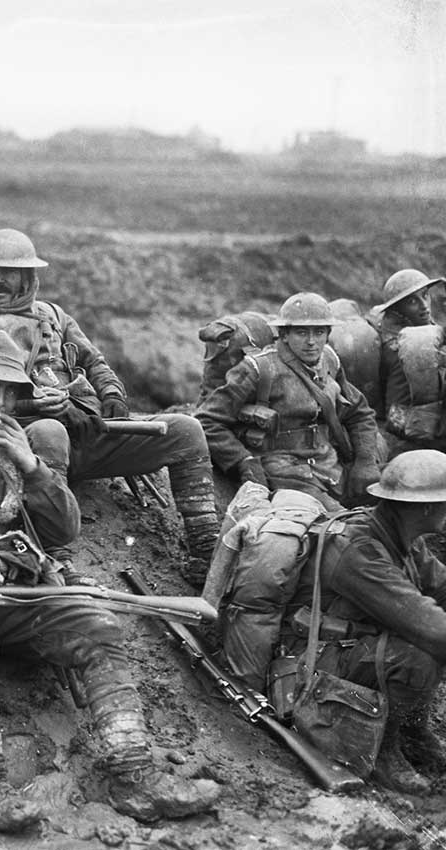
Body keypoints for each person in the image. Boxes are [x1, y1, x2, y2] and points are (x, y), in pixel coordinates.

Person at [0, 330, 221, 831]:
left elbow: (61, 529)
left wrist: (32, 467)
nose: (0, 401)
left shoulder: (17, 445)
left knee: (97, 625)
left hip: (5, 587)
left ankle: (134, 778)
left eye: (10, 391)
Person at [0, 229, 219, 586]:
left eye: (9, 272)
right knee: (50, 430)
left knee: (185, 430)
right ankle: (57, 555)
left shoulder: (53, 317)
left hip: (86, 434)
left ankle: (205, 550)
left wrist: (112, 395)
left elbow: (94, 360)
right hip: (24, 448)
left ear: (28, 277)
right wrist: (33, 405)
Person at [283, 449, 446, 793]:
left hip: (351, 648)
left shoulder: (400, 537)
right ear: (426, 508)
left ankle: (413, 735)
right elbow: (430, 627)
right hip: (313, 666)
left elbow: (441, 587)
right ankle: (384, 751)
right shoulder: (358, 552)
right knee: (418, 657)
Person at [197, 292, 380, 511]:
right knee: (341, 524)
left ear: (328, 333)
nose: (311, 342)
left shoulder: (329, 361)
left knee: (395, 498)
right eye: (301, 333)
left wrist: (365, 461)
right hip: (286, 474)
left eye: (319, 332)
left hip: (331, 468)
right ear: (284, 335)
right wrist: (243, 461)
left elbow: (359, 412)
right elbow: (206, 421)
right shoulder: (259, 369)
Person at [372, 269, 445, 458]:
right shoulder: (402, 350)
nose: (424, 306)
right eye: (412, 302)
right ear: (396, 310)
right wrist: (435, 432)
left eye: (425, 296)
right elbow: (394, 416)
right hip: (410, 442)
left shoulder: (420, 330)